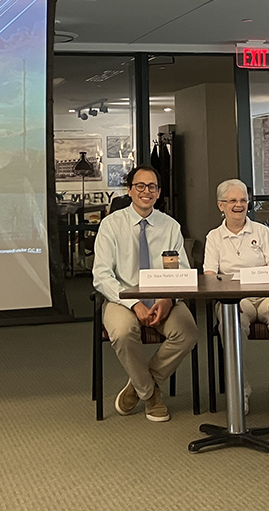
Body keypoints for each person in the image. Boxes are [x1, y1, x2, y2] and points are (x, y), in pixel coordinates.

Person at [92, 165, 199, 422]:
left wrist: (167, 298)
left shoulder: (170, 226)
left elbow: (182, 270)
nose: (146, 191)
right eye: (140, 185)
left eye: (152, 186)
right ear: (129, 190)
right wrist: (134, 304)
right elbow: (102, 275)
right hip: (123, 297)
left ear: (159, 193)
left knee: (188, 333)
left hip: (164, 298)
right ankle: (150, 395)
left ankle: (138, 385)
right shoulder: (111, 225)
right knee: (122, 332)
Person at [203, 179, 269, 417]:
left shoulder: (262, 231)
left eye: (243, 200)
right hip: (234, 298)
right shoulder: (214, 237)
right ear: (220, 205)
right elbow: (210, 276)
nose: (239, 205)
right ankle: (240, 389)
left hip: (268, 295)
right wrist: (229, 299)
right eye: (232, 201)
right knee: (231, 323)